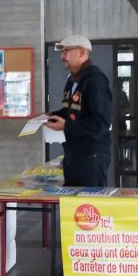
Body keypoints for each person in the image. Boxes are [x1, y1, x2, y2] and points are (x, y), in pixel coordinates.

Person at [45, 35, 112, 187]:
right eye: (62, 52)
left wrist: (66, 126)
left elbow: (101, 123)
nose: (62, 56)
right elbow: (70, 111)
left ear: (81, 52)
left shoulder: (96, 80)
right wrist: (49, 117)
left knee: (88, 205)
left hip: (91, 157)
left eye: (66, 51)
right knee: (72, 206)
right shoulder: (72, 80)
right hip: (73, 155)